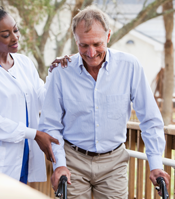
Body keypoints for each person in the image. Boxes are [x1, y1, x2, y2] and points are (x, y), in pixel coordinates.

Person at [38, 6, 170, 198]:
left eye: (97, 44)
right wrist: (59, 165)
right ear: (76, 40)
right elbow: (50, 124)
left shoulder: (129, 66)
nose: (91, 53)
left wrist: (156, 165)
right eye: (83, 45)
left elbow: (150, 119)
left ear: (108, 36)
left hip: (113, 163)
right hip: (73, 160)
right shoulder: (61, 72)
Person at [0, 3, 62, 184]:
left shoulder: (24, 63)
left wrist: (56, 73)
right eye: (6, 35)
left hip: (23, 153)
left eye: (16, 30)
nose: (15, 38)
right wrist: (34, 134)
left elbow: (42, 100)